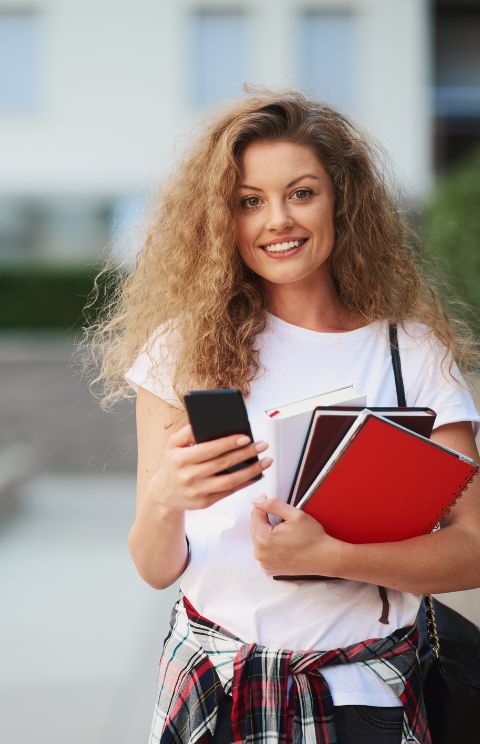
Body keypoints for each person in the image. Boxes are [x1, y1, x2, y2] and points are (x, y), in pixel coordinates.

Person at [89, 89, 480, 743]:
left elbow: (473, 549)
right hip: (213, 681)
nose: (277, 220)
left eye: (301, 193)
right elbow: (156, 566)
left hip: (364, 686)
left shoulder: (409, 354)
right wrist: (164, 501)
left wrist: (333, 555)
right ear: (223, 218)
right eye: (250, 201)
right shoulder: (180, 352)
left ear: (341, 201)